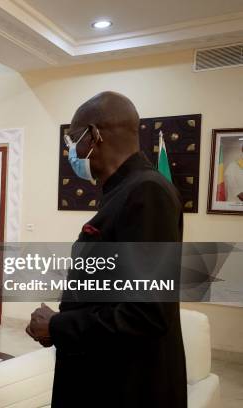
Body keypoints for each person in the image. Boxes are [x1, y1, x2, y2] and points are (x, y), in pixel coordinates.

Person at [26, 91, 187, 407]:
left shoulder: (147, 192)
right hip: (104, 374)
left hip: (126, 387)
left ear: (95, 136)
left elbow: (146, 313)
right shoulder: (121, 192)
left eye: (73, 141)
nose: (71, 151)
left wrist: (57, 326)